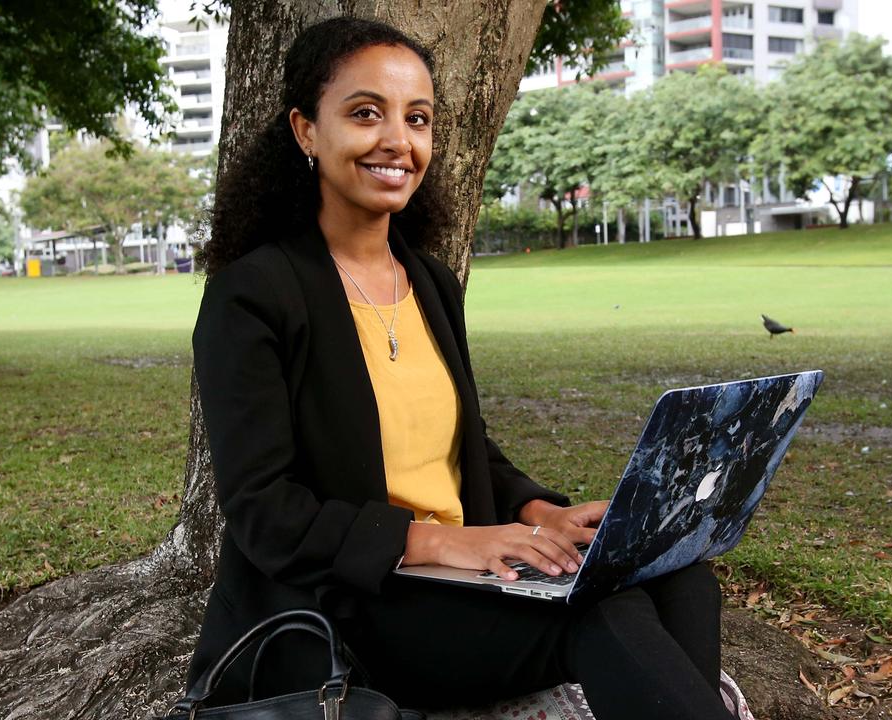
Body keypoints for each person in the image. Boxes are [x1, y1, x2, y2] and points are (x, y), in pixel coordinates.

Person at [186, 17, 737, 720]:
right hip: (362, 603)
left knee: (682, 578)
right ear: (305, 131)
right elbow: (263, 510)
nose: (397, 140)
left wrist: (543, 512)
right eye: (365, 113)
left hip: (465, 578)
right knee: (606, 616)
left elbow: (462, 445)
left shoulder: (430, 283)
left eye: (417, 118)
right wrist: (449, 542)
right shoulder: (254, 297)